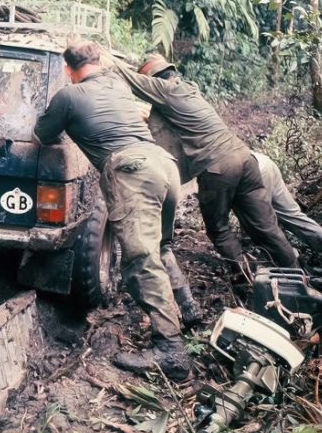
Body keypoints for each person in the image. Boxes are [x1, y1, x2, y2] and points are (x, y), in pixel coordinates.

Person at [33, 41, 198, 381]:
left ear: (68, 69)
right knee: (161, 246)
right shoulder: (118, 84)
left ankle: (172, 351)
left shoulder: (69, 95)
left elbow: (41, 134)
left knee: (140, 259)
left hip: (132, 170)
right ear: (98, 61)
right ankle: (188, 308)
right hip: (163, 164)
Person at [108, 53, 299, 272]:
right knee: (266, 227)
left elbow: (128, 78)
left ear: (155, 79)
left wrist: (102, 60)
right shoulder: (190, 89)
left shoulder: (166, 91)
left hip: (218, 168)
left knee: (219, 230)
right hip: (245, 159)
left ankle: (244, 278)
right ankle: (297, 275)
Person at [252, 151, 322, 281]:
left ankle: (294, 276)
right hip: (264, 163)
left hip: (254, 173)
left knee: (264, 227)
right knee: (294, 217)